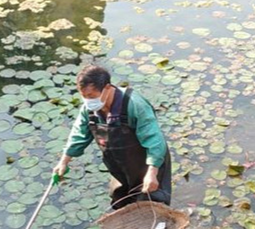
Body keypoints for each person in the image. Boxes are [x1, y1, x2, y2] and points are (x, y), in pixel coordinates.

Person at [54, 65, 172, 209]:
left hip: (146, 161)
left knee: (150, 200)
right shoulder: (89, 109)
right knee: (119, 200)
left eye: (91, 96)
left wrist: (152, 173)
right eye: (84, 97)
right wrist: (63, 162)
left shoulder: (134, 105)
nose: (88, 101)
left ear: (107, 88)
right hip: (118, 163)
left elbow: (154, 140)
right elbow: (78, 134)